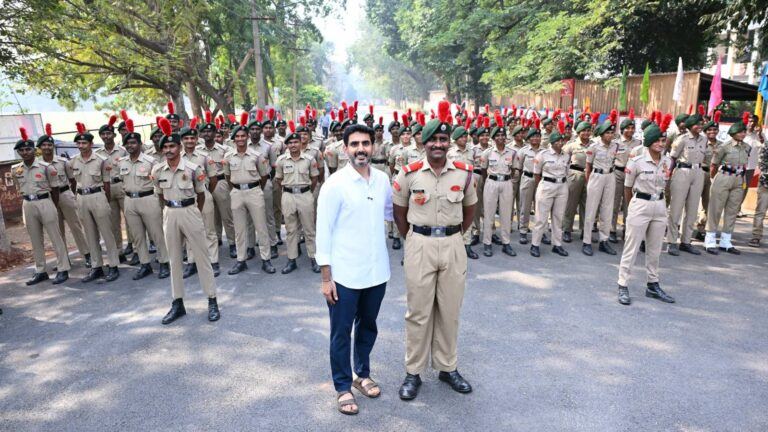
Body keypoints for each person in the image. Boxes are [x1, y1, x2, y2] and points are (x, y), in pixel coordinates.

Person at [393, 101, 476, 401]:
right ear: (424, 142)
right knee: (418, 312)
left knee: (450, 310)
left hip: (453, 244)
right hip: (420, 245)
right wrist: (414, 239)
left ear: (449, 143)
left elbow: (470, 210)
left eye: (443, 139)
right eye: (433, 140)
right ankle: (413, 372)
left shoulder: (464, 173)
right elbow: (399, 213)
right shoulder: (409, 173)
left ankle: (447, 367)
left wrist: (454, 235)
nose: (438, 144)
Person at [316, 123, 392, 415]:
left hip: (376, 272)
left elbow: (389, 213)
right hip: (344, 275)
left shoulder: (383, 179)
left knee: (368, 326)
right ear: (345, 148)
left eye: (366, 143)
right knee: (341, 332)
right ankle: (343, 386)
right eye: (355, 144)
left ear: (374, 146)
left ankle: (362, 373)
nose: (361, 149)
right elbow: (323, 231)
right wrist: (326, 278)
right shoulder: (335, 184)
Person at [153, 118, 220, 324]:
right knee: (174, 260)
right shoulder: (157, 171)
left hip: (190, 211)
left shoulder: (193, 169)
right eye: (165, 146)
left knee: (202, 257)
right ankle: (178, 302)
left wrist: (193, 212)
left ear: (180, 147)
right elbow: (159, 195)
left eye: (172, 145)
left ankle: (212, 300)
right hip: (170, 213)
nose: (169, 149)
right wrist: (171, 209)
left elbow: (201, 195)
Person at [617, 118, 675, 306]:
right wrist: (631, 210)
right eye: (657, 140)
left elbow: (666, 185)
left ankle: (652, 284)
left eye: (663, 140)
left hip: (659, 205)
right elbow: (627, 188)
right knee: (631, 247)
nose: (661, 143)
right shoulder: (637, 161)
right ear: (649, 142)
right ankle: (623, 284)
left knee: (654, 249)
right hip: (640, 204)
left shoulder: (667, 161)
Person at [12, 128, 70, 285]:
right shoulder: (15, 169)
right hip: (28, 204)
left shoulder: (46, 167)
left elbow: (55, 189)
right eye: (21, 150)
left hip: (45, 201)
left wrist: (52, 205)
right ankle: (40, 270)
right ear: (19, 152)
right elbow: (19, 187)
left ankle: (63, 268)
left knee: (55, 237)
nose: (25, 152)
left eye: (28, 149)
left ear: (34, 150)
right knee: (35, 239)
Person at [118, 119, 170, 280]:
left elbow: (158, 181)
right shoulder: (122, 162)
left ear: (140, 144)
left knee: (156, 233)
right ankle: (144, 263)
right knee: (137, 235)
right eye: (128, 143)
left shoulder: (150, 161)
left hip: (148, 198)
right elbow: (122, 181)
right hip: (130, 201)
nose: (130, 146)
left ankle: (164, 262)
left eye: (134, 143)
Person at [224, 116, 276, 275]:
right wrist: (237, 188)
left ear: (247, 137)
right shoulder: (228, 157)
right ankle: (241, 260)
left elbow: (264, 176)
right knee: (240, 229)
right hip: (237, 193)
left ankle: (266, 260)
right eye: (237, 136)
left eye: (242, 136)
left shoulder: (256, 156)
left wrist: (255, 189)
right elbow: (227, 177)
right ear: (233, 139)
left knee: (261, 226)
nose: (240, 139)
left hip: (254, 191)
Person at [70, 122, 120, 283]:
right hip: (81, 198)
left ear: (91, 144)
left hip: (98, 196)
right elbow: (73, 182)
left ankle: (113, 265)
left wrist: (104, 199)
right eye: (78, 143)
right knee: (90, 234)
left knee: (107, 232)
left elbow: (106, 184)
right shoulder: (73, 161)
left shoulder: (101, 160)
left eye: (84, 143)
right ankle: (96, 266)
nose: (81, 145)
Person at [37, 124, 91, 268]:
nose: (47, 147)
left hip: (64, 194)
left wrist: (70, 195)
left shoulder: (63, 162)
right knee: (57, 229)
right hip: (48, 199)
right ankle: (64, 258)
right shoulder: (38, 165)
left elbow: (73, 180)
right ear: (40, 147)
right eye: (44, 145)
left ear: (53, 146)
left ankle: (87, 255)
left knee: (75, 226)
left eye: (50, 144)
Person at [274, 121, 321, 274]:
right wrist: (289, 189)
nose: (293, 145)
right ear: (286, 145)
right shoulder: (281, 160)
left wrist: (306, 191)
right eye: (290, 142)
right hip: (287, 195)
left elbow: (314, 178)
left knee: (309, 228)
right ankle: (291, 259)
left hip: (305, 195)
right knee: (291, 229)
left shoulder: (309, 159)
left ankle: (314, 258)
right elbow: (279, 179)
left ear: (301, 143)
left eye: (296, 142)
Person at [705, 113, 752, 255]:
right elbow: (713, 165)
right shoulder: (724, 147)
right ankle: (710, 240)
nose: (743, 134)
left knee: (732, 210)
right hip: (724, 176)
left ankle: (726, 241)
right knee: (716, 209)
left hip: (739, 179)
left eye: (744, 132)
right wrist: (714, 179)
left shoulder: (747, 147)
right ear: (733, 133)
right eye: (740, 132)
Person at [666, 112, 707, 256]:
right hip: (682, 171)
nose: (700, 126)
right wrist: (668, 174)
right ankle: (671, 241)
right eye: (698, 124)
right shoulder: (682, 139)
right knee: (676, 207)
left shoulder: (704, 139)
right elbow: (672, 158)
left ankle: (686, 241)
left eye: (702, 124)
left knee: (692, 209)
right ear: (690, 126)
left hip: (698, 172)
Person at [198, 111, 237, 259]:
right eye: (204, 131)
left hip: (220, 183)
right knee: (210, 216)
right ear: (201, 134)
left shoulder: (225, 150)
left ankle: (233, 243)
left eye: (210, 131)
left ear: (215, 133)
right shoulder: (198, 151)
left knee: (226, 214)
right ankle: (217, 240)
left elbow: (230, 168)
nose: (207, 133)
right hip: (204, 184)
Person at [530, 121, 570, 258]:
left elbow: (567, 171)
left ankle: (557, 245)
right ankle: (535, 244)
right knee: (541, 217)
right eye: (557, 140)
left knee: (558, 217)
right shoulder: (542, 155)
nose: (560, 143)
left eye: (562, 140)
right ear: (552, 142)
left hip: (562, 186)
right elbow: (536, 174)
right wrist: (541, 187)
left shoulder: (566, 155)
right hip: (546, 185)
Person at [96, 115, 132, 263]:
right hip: (107, 187)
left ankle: (134, 247)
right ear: (100, 136)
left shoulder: (122, 151)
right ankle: (119, 250)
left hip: (122, 186)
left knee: (130, 219)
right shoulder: (97, 154)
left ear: (114, 135)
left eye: (109, 133)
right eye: (103, 134)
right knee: (113, 222)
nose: (106, 136)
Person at [481, 112, 517, 257]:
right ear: (494, 138)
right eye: (498, 136)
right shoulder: (487, 153)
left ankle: (506, 243)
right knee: (489, 214)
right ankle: (487, 243)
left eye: (503, 136)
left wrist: (506, 178)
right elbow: (483, 170)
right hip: (491, 182)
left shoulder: (512, 153)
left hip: (506, 183)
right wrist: (490, 181)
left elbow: (514, 169)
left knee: (506, 214)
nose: (501, 138)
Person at [582, 119, 618, 256]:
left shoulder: (615, 146)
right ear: (602, 134)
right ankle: (587, 241)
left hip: (610, 176)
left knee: (607, 210)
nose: (610, 135)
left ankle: (604, 240)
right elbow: (588, 166)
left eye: (612, 132)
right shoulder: (594, 147)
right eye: (607, 133)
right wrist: (589, 182)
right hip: (596, 176)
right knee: (591, 209)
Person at [610, 110, 642, 243]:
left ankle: (627, 229)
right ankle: (611, 229)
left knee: (629, 204)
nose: (630, 130)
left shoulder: (638, 143)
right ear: (622, 129)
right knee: (614, 202)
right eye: (628, 128)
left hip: (632, 176)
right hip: (618, 173)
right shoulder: (616, 142)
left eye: (632, 128)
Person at [562, 121, 592, 243]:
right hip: (575, 175)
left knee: (587, 204)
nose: (586, 133)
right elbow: (563, 159)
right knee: (571, 204)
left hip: (589, 175)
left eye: (588, 130)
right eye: (583, 131)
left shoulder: (593, 146)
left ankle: (585, 230)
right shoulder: (571, 145)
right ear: (578, 132)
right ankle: (567, 230)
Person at [750, 130, 768, 247]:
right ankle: (756, 236)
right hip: (766, 183)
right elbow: (761, 162)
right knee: (760, 211)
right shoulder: (767, 145)